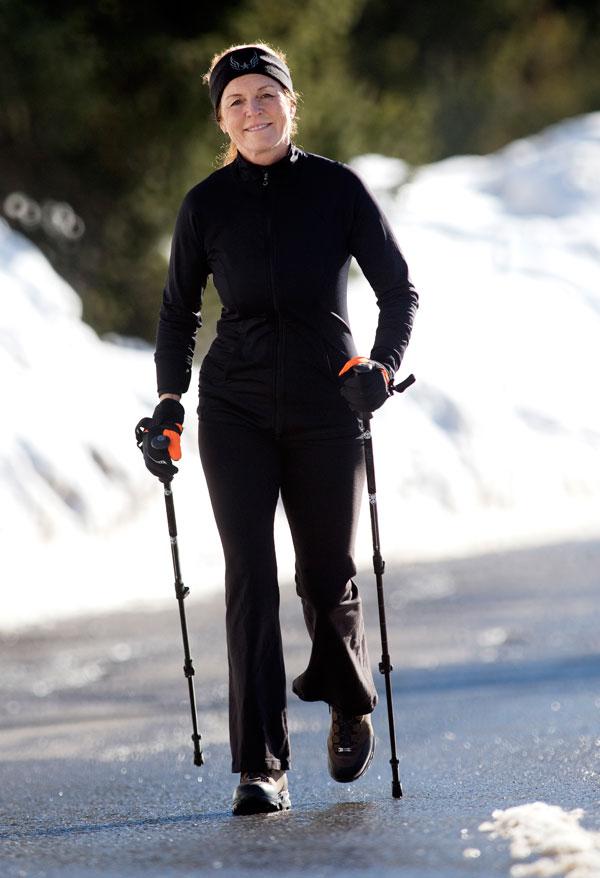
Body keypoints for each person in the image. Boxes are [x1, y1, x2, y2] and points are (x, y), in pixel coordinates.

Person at [137, 42, 418, 816]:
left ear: (291, 105)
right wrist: (169, 402)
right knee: (249, 578)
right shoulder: (206, 204)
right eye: (237, 102)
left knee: (326, 569)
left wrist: (380, 368)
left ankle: (348, 698)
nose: (254, 112)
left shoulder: (338, 190)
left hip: (329, 402)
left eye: (267, 97)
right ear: (221, 119)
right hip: (234, 407)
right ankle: (260, 763)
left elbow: (399, 291)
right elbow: (178, 311)